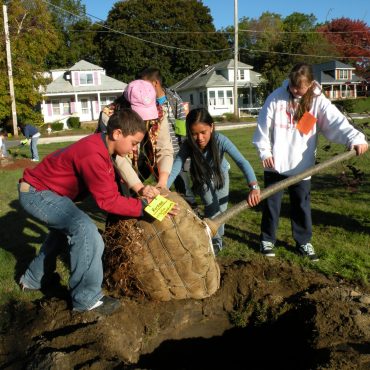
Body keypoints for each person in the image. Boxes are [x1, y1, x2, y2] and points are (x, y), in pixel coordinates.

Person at [18, 109, 158, 315]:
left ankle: (33, 280)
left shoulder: (101, 146)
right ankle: (86, 299)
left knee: (62, 232)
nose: (133, 150)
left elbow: (108, 188)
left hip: (47, 192)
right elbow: (107, 201)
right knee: (85, 230)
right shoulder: (93, 152)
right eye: (134, 143)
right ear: (117, 133)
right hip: (36, 193)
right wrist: (144, 208)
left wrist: (139, 198)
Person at [253, 63, 368, 261]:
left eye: (300, 87)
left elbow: (336, 121)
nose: (295, 90)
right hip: (275, 164)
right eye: (292, 86)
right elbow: (263, 126)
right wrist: (265, 152)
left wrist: (355, 138)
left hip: (301, 166)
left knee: (301, 206)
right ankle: (267, 239)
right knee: (272, 206)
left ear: (310, 84)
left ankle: (303, 241)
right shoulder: (276, 98)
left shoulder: (318, 102)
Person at [167, 108, 261, 254]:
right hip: (201, 178)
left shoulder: (221, 140)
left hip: (220, 174)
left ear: (211, 127)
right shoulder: (188, 145)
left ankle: (216, 235)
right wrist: (163, 187)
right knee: (212, 207)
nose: (199, 138)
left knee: (222, 210)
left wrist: (254, 185)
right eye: (194, 134)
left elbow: (242, 162)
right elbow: (176, 167)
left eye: (203, 132)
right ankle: (215, 239)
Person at [138, 67, 197, 209]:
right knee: (161, 185)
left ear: (155, 83)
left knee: (183, 186)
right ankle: (164, 215)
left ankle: (193, 213)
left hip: (176, 152)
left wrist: (184, 155)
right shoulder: (145, 102)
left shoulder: (173, 100)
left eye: (145, 84)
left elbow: (182, 127)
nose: (142, 89)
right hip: (155, 153)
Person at [114, 79, 174, 191]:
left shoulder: (160, 113)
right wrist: (140, 188)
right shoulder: (111, 115)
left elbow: (165, 149)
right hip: (113, 170)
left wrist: (162, 182)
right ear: (127, 104)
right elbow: (118, 157)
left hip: (141, 164)